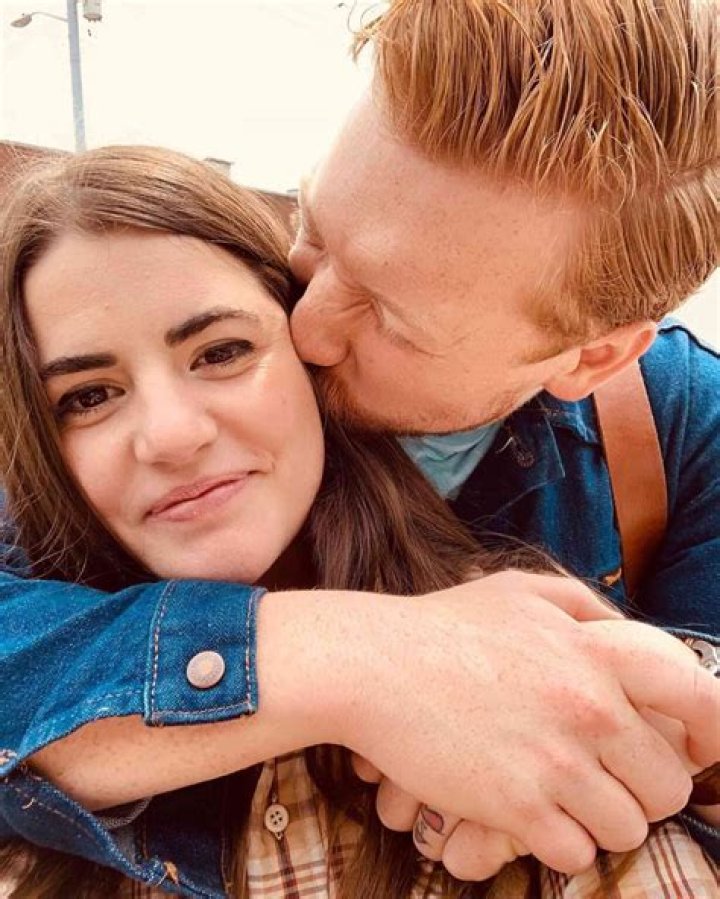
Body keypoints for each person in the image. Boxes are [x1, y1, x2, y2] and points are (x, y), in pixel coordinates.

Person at [0, 0, 718, 887]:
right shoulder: (179, 403)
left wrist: (634, 728)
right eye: (313, 232)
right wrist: (360, 659)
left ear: (591, 356)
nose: (303, 325)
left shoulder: (677, 428)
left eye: (390, 317)